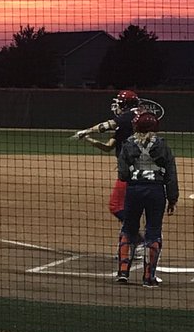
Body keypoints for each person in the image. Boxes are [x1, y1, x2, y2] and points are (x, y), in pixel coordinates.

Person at [115, 110, 178, 286]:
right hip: (156, 192)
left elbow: (122, 173)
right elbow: (171, 174)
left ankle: (123, 272)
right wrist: (172, 198)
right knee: (153, 231)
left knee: (128, 228)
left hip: (134, 190)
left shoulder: (128, 144)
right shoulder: (162, 145)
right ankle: (149, 277)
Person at [71, 90, 141, 224]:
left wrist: (87, 130)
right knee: (132, 206)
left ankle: (136, 235)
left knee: (116, 206)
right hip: (142, 169)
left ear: (125, 105)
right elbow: (108, 147)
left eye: (119, 104)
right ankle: (138, 235)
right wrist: (88, 139)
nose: (117, 107)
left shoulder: (128, 117)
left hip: (131, 171)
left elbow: (106, 126)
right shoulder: (131, 120)